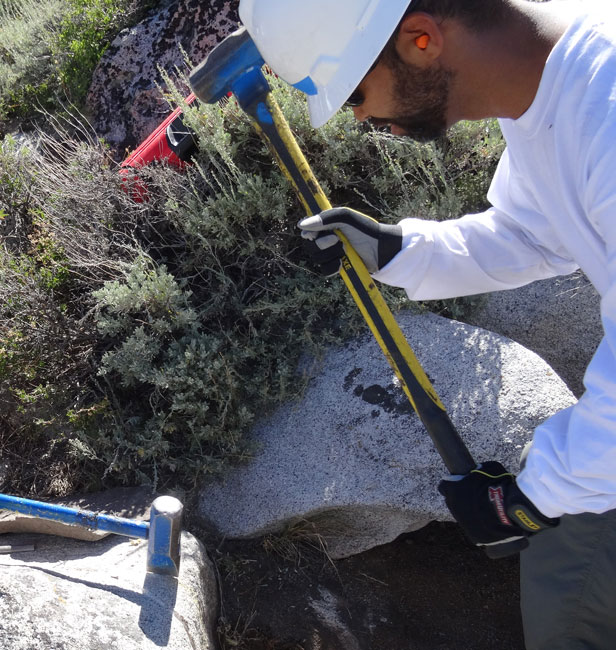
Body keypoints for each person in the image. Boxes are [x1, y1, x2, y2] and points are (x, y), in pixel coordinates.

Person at [238, 0, 616, 648]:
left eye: (355, 92)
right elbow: (531, 233)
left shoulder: (605, 110)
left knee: (570, 581)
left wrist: (534, 497)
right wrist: (397, 250)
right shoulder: (556, 92)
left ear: (419, 40)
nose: (359, 116)